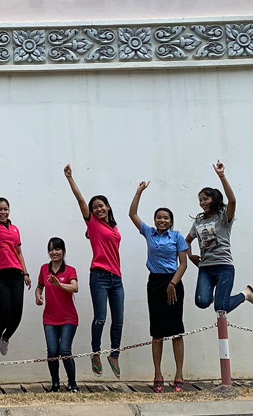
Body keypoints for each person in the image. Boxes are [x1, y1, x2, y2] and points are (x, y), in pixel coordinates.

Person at [63, 164, 123, 378]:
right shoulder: (93, 224)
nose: (98, 209)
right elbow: (80, 200)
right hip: (99, 275)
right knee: (100, 318)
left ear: (108, 207)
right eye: (94, 207)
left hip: (116, 277)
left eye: (101, 206)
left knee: (118, 320)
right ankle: (95, 352)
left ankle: (114, 355)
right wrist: (70, 178)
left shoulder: (114, 227)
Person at [128, 181, 189, 393]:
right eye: (159, 217)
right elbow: (132, 214)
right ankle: (158, 374)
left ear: (171, 221)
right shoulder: (149, 233)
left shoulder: (177, 237)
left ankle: (179, 374)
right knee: (157, 332)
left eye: (166, 218)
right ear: (155, 220)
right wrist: (139, 192)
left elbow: (183, 264)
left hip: (173, 282)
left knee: (176, 331)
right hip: (154, 283)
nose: (162, 220)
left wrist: (173, 283)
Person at [185, 161, 253, 315]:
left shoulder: (223, 217)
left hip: (223, 266)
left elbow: (232, 200)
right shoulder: (198, 221)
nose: (202, 203)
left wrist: (222, 176)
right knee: (201, 302)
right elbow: (187, 241)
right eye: (200, 200)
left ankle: (245, 294)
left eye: (205, 199)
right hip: (205, 268)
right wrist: (191, 255)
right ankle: (222, 299)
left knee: (220, 308)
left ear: (214, 199)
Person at [0, 163, 31, 357]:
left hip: (16, 274)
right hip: (0, 275)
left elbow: (19, 252)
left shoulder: (15, 229)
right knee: (6, 313)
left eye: (6, 209)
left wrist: (25, 273)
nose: (3, 212)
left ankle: (6, 337)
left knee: (17, 316)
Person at [35, 237, 79, 393]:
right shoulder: (44, 269)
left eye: (57, 249)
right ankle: (55, 384)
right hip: (50, 318)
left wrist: (59, 285)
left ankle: (72, 384)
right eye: (51, 249)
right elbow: (39, 286)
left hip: (68, 318)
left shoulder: (70, 270)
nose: (54, 252)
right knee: (53, 351)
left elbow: (75, 288)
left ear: (63, 251)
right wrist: (38, 295)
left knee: (65, 350)